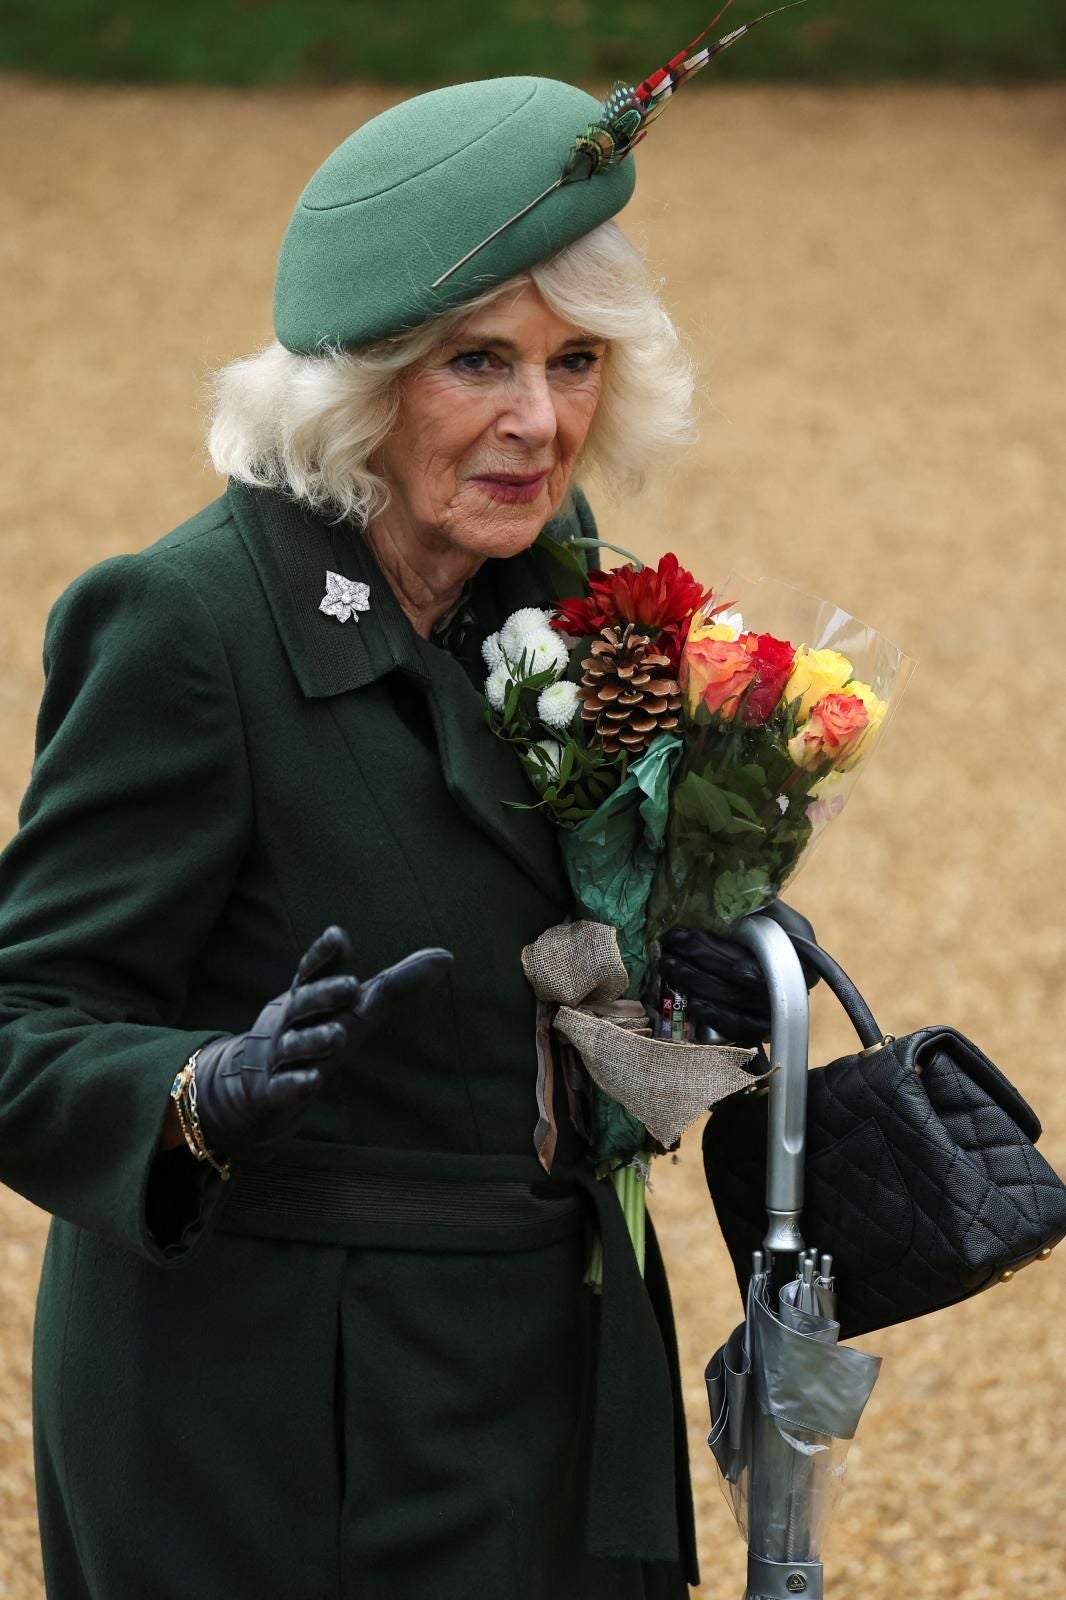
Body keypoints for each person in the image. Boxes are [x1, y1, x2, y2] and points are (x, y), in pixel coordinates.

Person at [0, 74, 808, 1600]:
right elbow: (20, 1023)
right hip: (276, 1416)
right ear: (358, 387)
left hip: (549, 1371)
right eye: (477, 361)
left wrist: (701, 952)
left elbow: (564, 943)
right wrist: (195, 1089)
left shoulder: (557, 596)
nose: (538, 419)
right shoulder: (187, 628)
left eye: (575, 362)